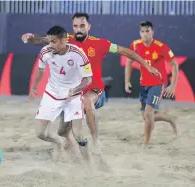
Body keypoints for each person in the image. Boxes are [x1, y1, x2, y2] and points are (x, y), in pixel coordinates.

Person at [22, 13, 160, 149]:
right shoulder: (66, 39)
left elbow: (126, 52)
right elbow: (42, 40)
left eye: (82, 26)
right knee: (62, 132)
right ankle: (70, 152)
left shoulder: (101, 43)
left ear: (89, 27)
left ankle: (95, 141)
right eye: (75, 26)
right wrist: (30, 37)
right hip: (72, 94)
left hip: (95, 90)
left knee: (86, 101)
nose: (79, 29)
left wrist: (147, 66)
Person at [29, 25, 93, 163]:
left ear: (64, 40)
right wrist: (34, 86)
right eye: (49, 41)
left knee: (79, 134)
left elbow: (88, 79)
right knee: (40, 133)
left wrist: (75, 90)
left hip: (73, 96)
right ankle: (59, 142)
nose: (50, 45)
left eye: (54, 41)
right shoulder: (45, 52)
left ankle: (89, 165)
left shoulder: (78, 54)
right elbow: (40, 70)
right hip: (51, 94)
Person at [124, 21, 179, 146]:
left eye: (147, 31)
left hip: (158, 83)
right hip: (144, 84)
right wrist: (127, 81)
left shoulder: (161, 46)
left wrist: (173, 85)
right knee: (146, 116)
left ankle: (146, 144)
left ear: (152, 32)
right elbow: (129, 62)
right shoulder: (135, 45)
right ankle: (169, 119)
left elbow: (174, 64)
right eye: (142, 31)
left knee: (148, 114)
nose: (144, 34)